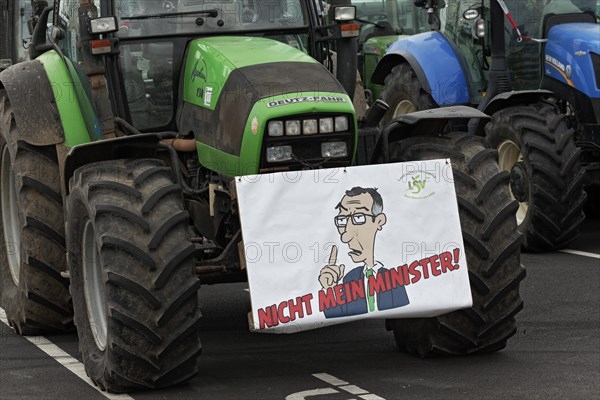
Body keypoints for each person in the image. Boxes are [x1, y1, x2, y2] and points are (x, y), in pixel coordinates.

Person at [319, 187, 409, 318]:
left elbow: (408, 310)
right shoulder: (350, 278)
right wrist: (329, 290)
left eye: (358, 217)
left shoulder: (393, 277)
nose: (345, 236)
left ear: (379, 221)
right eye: (342, 220)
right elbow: (339, 316)